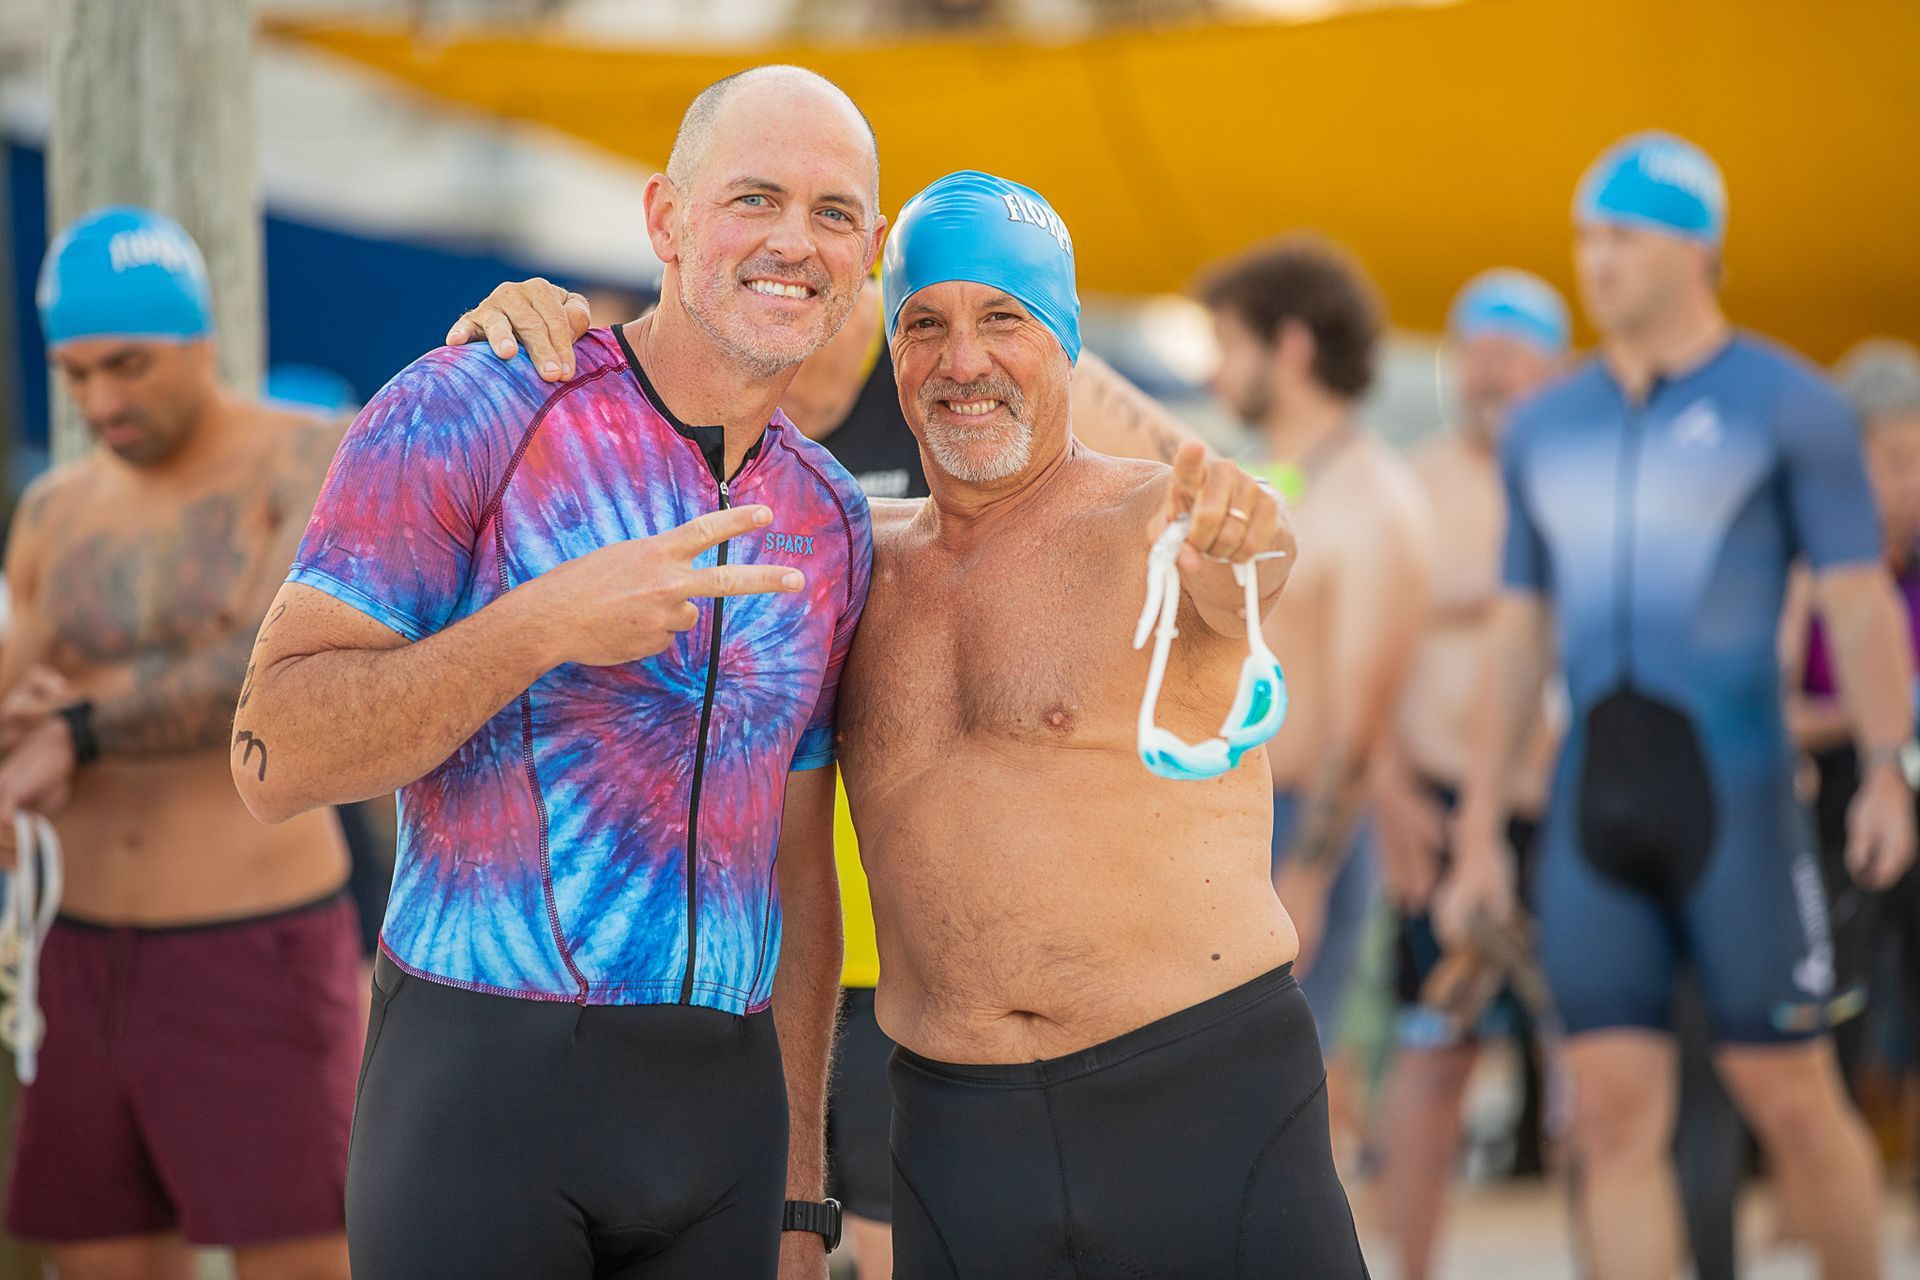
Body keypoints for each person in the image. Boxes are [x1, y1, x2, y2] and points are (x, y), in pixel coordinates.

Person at [462, 168, 1362, 1276]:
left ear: (1068, 338)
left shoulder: (1157, 524)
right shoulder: (841, 557)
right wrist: (537, 332)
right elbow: (643, 440)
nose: (964, 359)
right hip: (954, 1134)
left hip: (1201, 1108)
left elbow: (1253, 568)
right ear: (892, 349)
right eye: (926, 323)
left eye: (1005, 319)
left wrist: (1249, 537)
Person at [234, 67, 881, 1280]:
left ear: (869, 255)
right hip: (483, 1095)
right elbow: (272, 752)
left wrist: (801, 1195)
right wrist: (539, 623)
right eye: (756, 197)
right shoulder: (475, 405)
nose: (796, 239)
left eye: (835, 212)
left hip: (727, 1134)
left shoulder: (831, 518)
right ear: (666, 220)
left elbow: (795, 859)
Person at [1440, 130, 1915, 1280]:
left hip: (1740, 798)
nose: (1594, 260)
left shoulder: (1786, 403)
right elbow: (1517, 632)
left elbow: (1856, 604)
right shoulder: (1548, 427)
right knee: (1608, 1114)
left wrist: (1891, 767)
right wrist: (1473, 838)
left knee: (1790, 1093)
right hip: (1591, 805)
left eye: (1621, 235)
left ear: (1696, 247)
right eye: (1585, 235)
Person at [0, 207, 358, 1279]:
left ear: (201, 340)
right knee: (98, 1262)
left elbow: (270, 665)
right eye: (74, 373)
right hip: (82, 949)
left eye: (129, 364)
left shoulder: (308, 459)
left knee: (300, 1257)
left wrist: (78, 726)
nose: (101, 400)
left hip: (253, 945)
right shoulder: (57, 509)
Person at [1370, 268, 1567, 1280]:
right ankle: (1413, 1269)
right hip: (1442, 809)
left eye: (1511, 355)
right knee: (1435, 1048)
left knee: (1599, 1056)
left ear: (1556, 369)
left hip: (1567, 811)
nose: (1490, 374)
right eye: (1474, 353)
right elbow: (1373, 657)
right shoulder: (1417, 485)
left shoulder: (1584, 483)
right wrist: (1394, 794)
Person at [1195, 235, 1432, 1043]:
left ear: (1291, 347)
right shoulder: (1260, 475)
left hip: (1296, 829)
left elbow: (1361, 722)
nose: (1211, 371)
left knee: (1281, 1105)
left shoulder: (1377, 505)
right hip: (1216, 818)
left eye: (1227, 343)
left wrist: (1310, 875)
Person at [1787, 339, 1920, 1102]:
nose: (1911, 482)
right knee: (1837, 993)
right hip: (1836, 800)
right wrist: (1876, 717)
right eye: (1895, 459)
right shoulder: (1806, 569)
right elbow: (1775, 713)